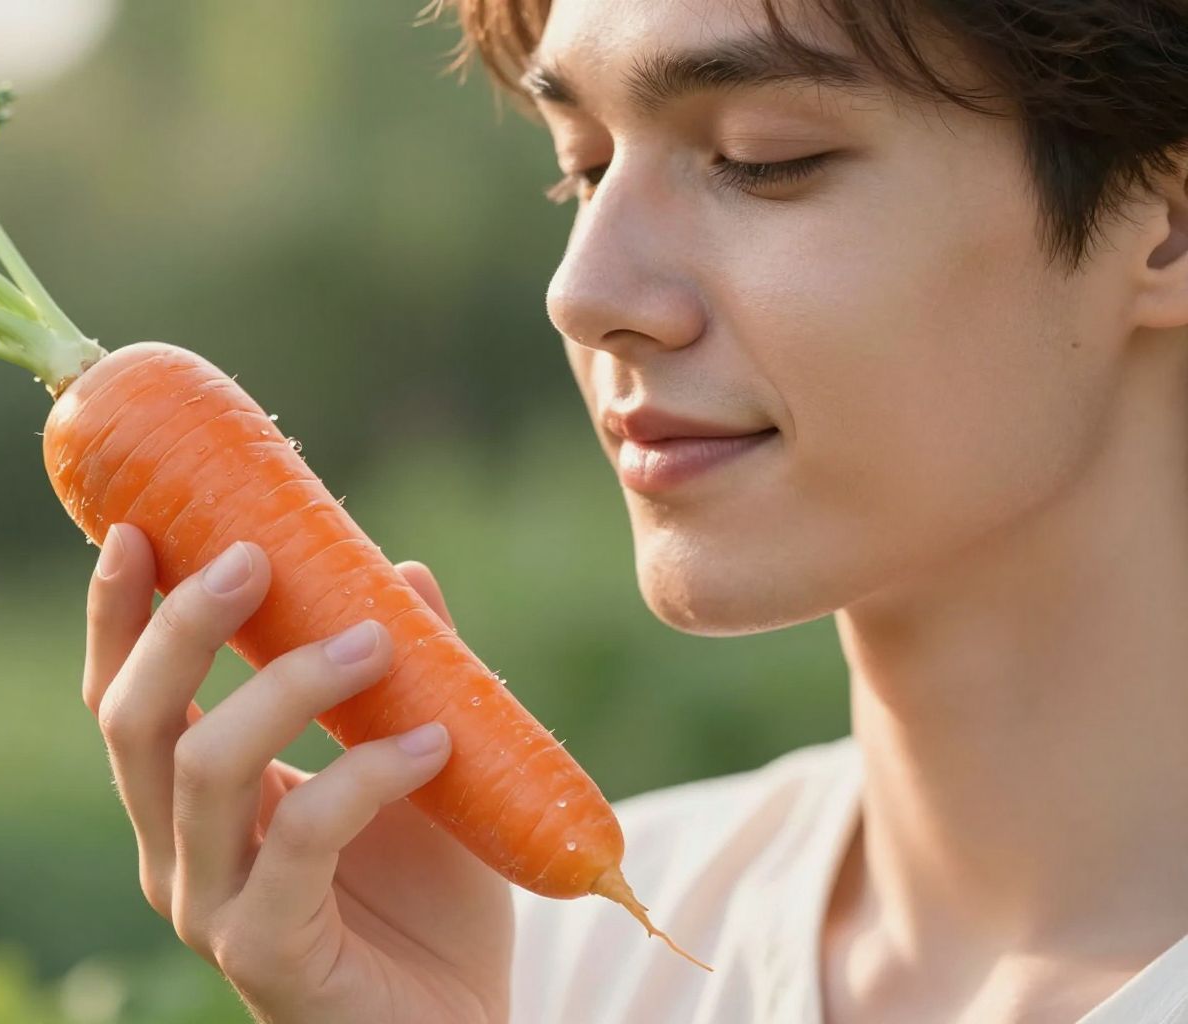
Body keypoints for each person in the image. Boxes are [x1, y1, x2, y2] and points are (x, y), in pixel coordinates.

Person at [77, 0, 1188, 1020]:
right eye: (585, 167)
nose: (582, 292)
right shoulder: (555, 964)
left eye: (762, 159)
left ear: (1167, 223)